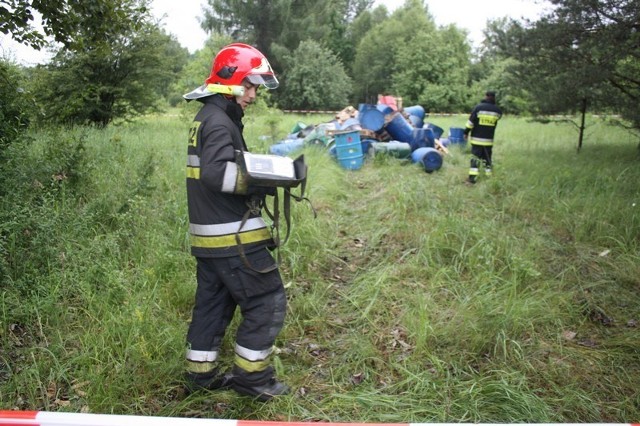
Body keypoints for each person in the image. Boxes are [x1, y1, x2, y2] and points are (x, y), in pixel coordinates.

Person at [181, 43, 289, 401]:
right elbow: (215, 173)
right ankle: (252, 380)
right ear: (230, 82)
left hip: (210, 238)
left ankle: (201, 376)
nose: (253, 95)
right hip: (232, 239)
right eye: (250, 86)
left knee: (213, 305)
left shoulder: (209, 119)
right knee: (267, 300)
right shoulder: (217, 121)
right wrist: (264, 180)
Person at [463, 91, 503, 184]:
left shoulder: (478, 108)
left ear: (486, 96)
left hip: (477, 140)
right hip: (489, 140)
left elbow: (470, 123)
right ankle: (489, 178)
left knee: (475, 159)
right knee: (487, 159)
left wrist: (466, 132)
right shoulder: (497, 111)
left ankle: (472, 179)